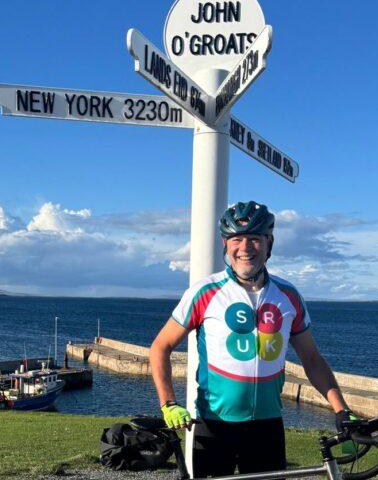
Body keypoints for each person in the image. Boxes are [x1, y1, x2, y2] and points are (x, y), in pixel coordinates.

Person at [150, 201, 356, 477]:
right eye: (236, 239)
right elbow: (160, 347)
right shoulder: (205, 292)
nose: (245, 247)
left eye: (254, 239)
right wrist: (169, 404)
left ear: (269, 243)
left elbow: (312, 359)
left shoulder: (288, 295)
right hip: (214, 425)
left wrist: (341, 409)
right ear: (226, 244)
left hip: (267, 427)